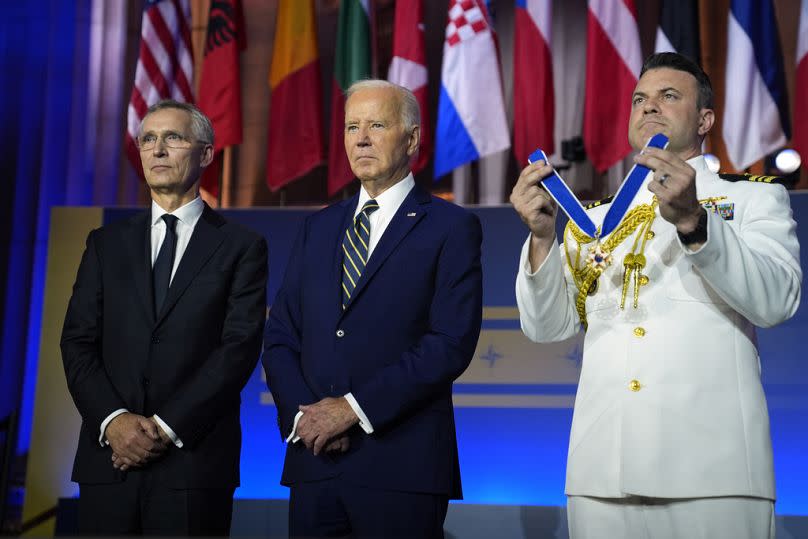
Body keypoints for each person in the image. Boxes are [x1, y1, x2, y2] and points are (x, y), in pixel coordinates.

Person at [511, 52, 801, 538]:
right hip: (602, 471)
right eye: (640, 99)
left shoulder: (753, 198)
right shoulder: (595, 219)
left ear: (705, 119)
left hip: (714, 472)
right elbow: (545, 328)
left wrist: (694, 221)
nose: (649, 107)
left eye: (669, 96)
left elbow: (776, 302)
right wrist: (542, 237)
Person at [263, 79, 482, 539]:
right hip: (315, 462)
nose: (360, 139)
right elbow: (281, 336)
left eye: (376, 125)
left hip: (402, 468)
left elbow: (449, 344)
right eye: (351, 127)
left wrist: (352, 409)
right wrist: (306, 420)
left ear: (413, 138)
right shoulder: (316, 228)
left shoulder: (452, 227)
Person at [61, 100, 268, 535]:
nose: (157, 150)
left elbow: (238, 349)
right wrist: (114, 421)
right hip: (109, 461)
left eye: (172, 138)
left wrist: (163, 428)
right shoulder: (105, 243)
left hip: (192, 465)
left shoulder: (241, 247)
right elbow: (78, 342)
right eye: (148, 140)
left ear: (206, 153)